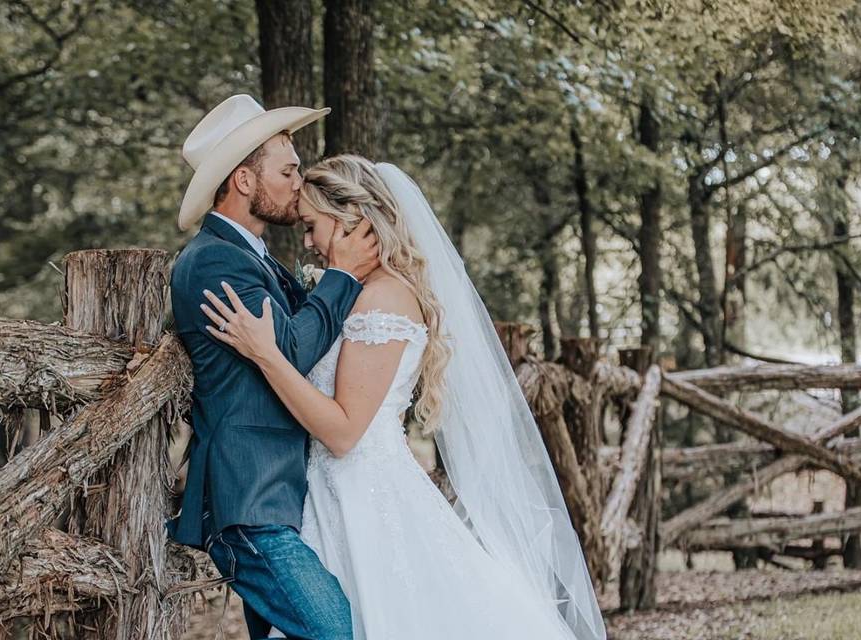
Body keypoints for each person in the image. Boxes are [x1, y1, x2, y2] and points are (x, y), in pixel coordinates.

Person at [200, 155, 607, 639]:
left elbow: (344, 432)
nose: (306, 241)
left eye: (312, 226)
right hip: (328, 496)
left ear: (353, 218)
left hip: (365, 497)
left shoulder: (385, 298)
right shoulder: (354, 291)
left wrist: (268, 355)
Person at [168, 96, 379, 640]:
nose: (298, 182)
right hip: (247, 502)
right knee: (335, 630)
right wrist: (345, 276)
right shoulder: (213, 261)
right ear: (243, 180)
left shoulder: (255, 259)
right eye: (286, 170)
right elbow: (289, 350)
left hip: (277, 495)